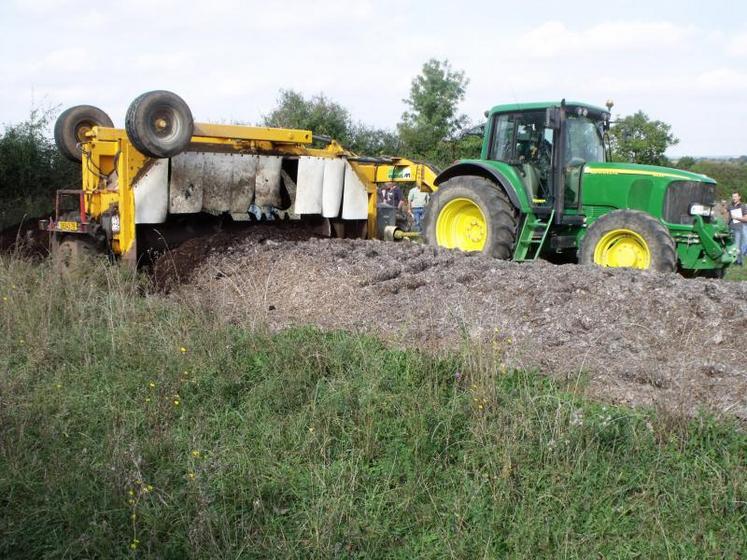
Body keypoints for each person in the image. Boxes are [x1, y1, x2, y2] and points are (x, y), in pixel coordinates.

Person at [727, 192, 747, 265]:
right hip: (730, 228)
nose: (734, 198)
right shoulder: (730, 205)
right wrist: (723, 206)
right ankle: (733, 261)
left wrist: (736, 217)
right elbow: (723, 212)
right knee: (731, 246)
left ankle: (739, 262)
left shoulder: (743, 206)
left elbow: (746, 219)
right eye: (733, 197)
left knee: (737, 246)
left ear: (739, 197)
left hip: (738, 228)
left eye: (735, 197)